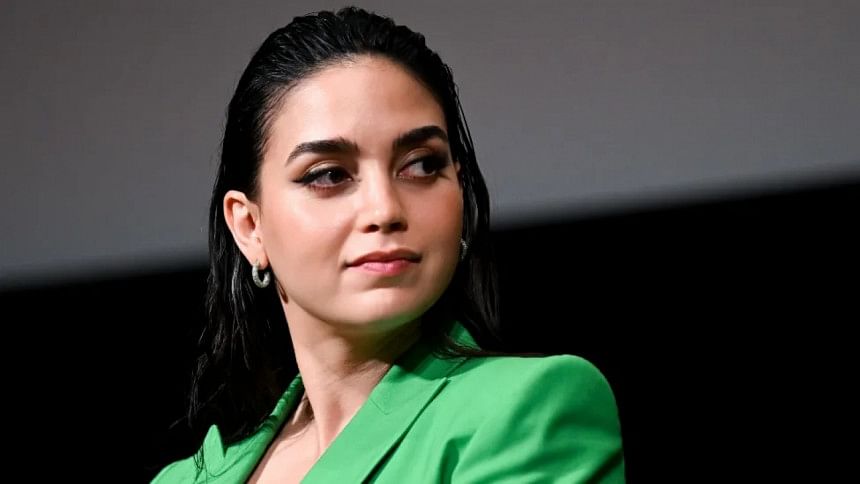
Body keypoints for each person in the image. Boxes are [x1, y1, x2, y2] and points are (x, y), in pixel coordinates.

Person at [153, 7, 624, 483]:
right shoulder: (186, 479)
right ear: (250, 226)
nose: (385, 209)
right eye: (328, 175)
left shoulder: (528, 409)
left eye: (421, 165)